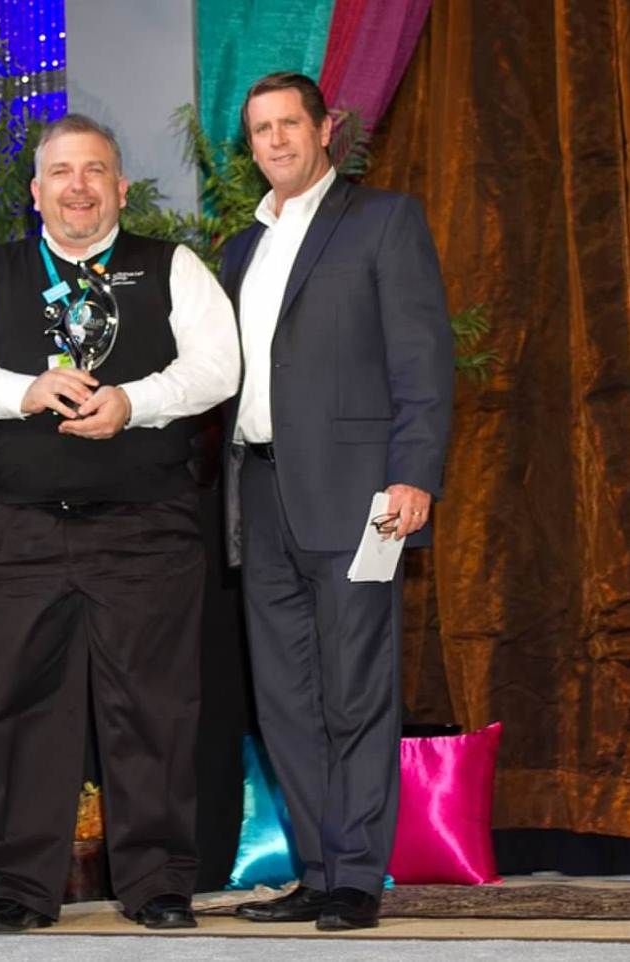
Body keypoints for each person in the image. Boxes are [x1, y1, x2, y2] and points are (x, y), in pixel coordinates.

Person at [0, 113, 239, 932]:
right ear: (36, 192)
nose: (78, 186)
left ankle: (157, 885)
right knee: (19, 709)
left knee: (155, 708)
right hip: (20, 532)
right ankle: (22, 890)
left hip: (146, 528)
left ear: (120, 187)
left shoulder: (172, 266)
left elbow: (217, 366)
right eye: (61, 172)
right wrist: (21, 390)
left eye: (94, 170)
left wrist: (135, 404)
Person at [221, 73, 454, 930]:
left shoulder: (382, 220)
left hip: (361, 495)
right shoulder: (239, 248)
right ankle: (317, 872)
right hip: (259, 490)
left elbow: (422, 361)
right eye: (259, 130)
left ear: (324, 129)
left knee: (355, 690)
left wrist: (414, 473)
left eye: (289, 123)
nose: (275, 141)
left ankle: (356, 875)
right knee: (284, 696)